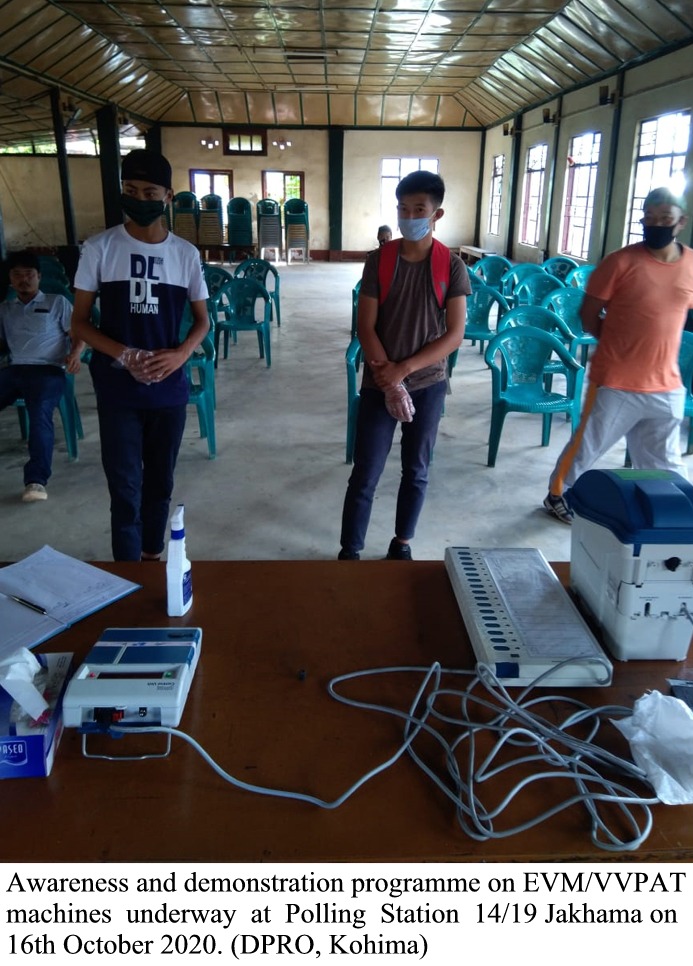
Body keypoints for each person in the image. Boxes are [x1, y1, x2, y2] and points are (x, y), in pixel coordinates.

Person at [71, 149, 210, 561]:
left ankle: (151, 558)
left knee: (160, 483)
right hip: (118, 389)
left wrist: (181, 354)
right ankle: (129, 571)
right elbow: (80, 322)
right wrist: (125, 354)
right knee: (125, 487)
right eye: (130, 190)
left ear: (168, 196)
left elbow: (202, 320)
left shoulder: (185, 254)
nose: (139, 199)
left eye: (150, 192)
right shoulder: (100, 248)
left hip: (167, 389)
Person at [339, 170, 469, 560]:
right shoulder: (380, 261)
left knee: (416, 469)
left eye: (419, 209)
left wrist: (404, 371)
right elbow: (365, 326)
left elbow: (455, 334)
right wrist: (389, 379)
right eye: (402, 208)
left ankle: (402, 543)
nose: (409, 216)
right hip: (379, 383)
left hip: (427, 384)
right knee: (366, 471)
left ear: (436, 214)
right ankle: (350, 549)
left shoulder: (451, 266)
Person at [544, 186, 693, 524]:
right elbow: (588, 315)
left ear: (681, 222)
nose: (656, 225)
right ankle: (557, 495)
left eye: (665, 219)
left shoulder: (690, 265)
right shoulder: (620, 262)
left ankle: (669, 511)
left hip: (666, 383)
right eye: (649, 218)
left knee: (665, 460)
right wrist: (617, 344)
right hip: (615, 379)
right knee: (588, 445)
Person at [0, 251, 84, 502]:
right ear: (10, 279)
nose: (23, 280)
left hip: (48, 370)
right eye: (17, 275)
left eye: (29, 274)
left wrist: (75, 354)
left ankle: (36, 481)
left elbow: (78, 334)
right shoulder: (5, 309)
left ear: (39, 276)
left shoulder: (57, 302)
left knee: (39, 415)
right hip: (15, 369)